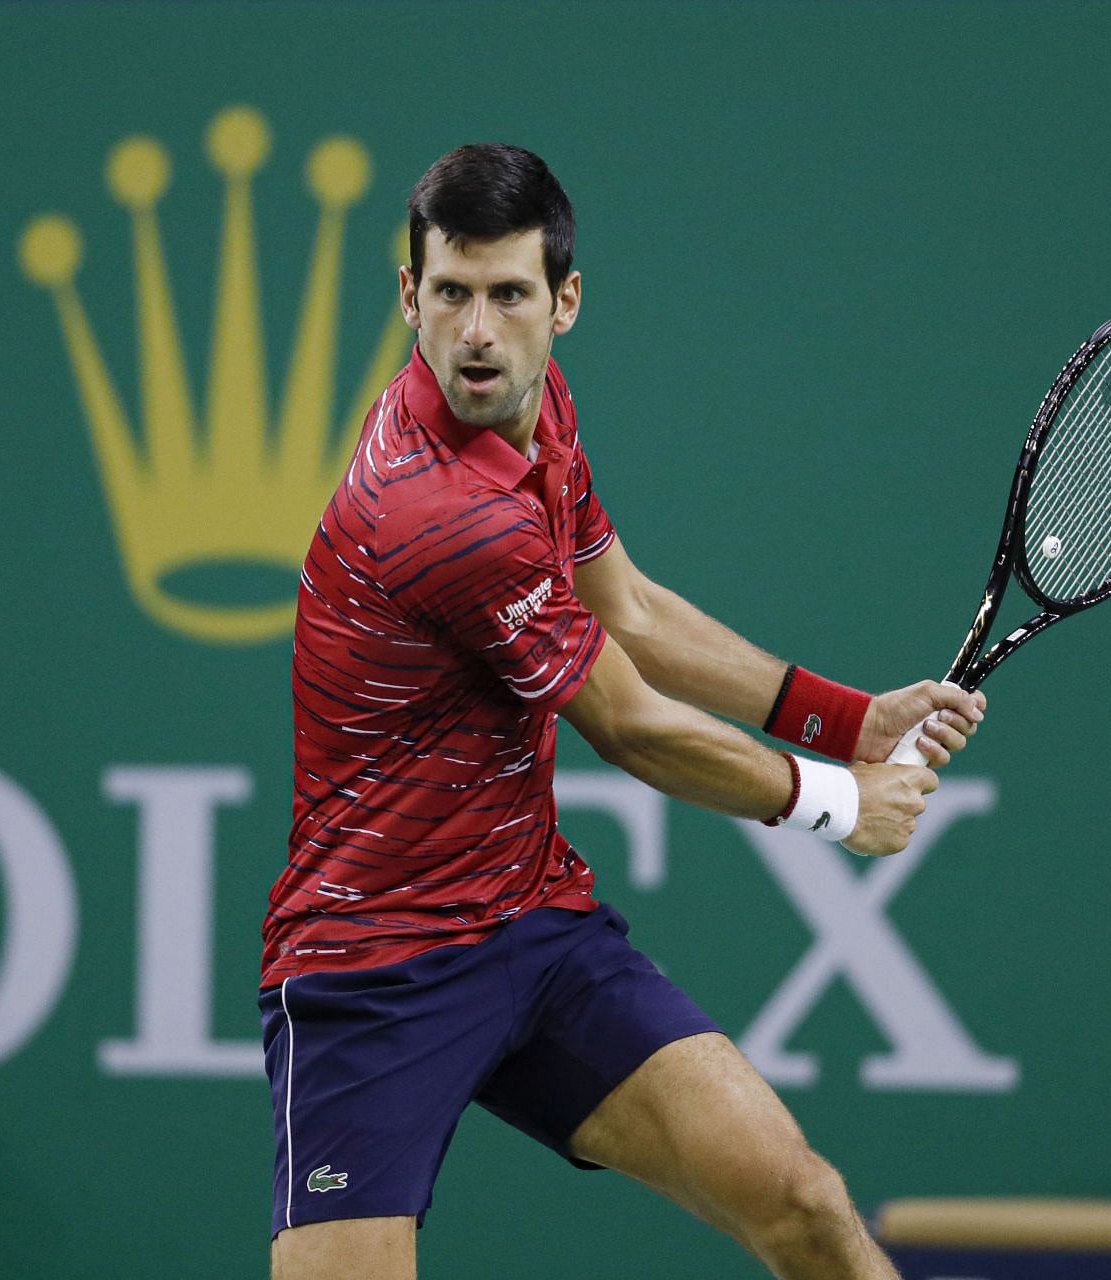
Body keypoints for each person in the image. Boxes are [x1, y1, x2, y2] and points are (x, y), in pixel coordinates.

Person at [260, 143, 986, 1280]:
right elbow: (631, 721)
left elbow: (632, 607)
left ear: (566, 300)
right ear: (409, 297)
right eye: (450, 294)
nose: (479, 331)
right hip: (374, 968)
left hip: (530, 928)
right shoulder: (437, 507)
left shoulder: (535, 405)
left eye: (509, 294)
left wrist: (849, 722)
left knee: (804, 1202)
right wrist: (840, 805)